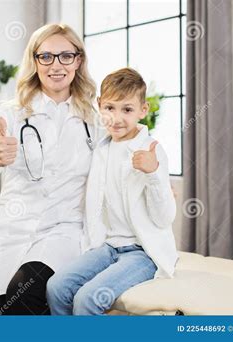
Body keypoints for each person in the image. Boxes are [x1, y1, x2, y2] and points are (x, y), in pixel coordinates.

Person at [0, 23, 98, 315]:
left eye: (66, 56)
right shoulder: (12, 111)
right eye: (46, 56)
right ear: (35, 61)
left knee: (24, 293)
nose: (56, 65)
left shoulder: (95, 118)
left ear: (78, 60)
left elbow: (114, 171)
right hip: (9, 231)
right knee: (4, 312)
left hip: (63, 232)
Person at [46, 68, 178, 315]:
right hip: (106, 247)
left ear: (143, 110)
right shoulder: (101, 149)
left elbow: (164, 218)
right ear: (99, 106)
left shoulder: (151, 151)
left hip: (142, 253)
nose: (116, 119)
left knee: (87, 299)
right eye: (109, 108)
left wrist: (153, 174)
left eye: (127, 110)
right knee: (56, 287)